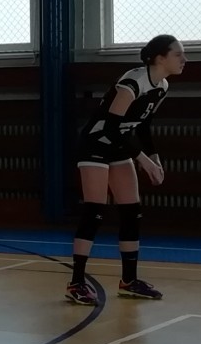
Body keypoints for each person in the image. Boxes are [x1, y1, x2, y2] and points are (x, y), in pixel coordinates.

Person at [67, 34, 185, 305]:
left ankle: (129, 281)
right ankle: (76, 283)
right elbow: (110, 127)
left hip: (120, 145)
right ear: (160, 58)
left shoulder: (162, 86)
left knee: (132, 211)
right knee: (94, 210)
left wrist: (154, 158)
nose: (184, 59)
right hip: (97, 143)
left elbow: (143, 126)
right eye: (178, 54)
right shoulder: (133, 82)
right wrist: (142, 160)